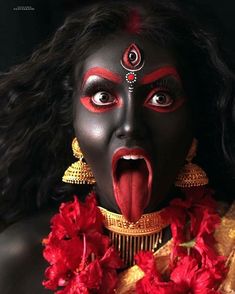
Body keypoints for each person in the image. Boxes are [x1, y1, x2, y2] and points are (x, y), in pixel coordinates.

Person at [0, 0, 234, 293]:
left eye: (161, 98)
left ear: (195, 118)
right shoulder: (20, 258)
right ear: (70, 115)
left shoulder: (230, 249)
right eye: (102, 97)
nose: (130, 126)